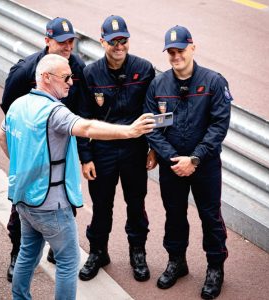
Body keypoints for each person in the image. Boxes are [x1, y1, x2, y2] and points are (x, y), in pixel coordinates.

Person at [0, 54, 155, 300]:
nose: (71, 81)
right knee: (69, 262)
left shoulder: (18, 104)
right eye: (66, 77)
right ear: (46, 78)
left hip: (23, 200)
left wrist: (25, 167)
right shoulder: (54, 112)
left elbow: (1, 137)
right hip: (52, 204)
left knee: (27, 253)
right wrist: (130, 131)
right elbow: (89, 128)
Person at [143, 25, 233, 299]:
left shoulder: (214, 82)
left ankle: (215, 267)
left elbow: (219, 126)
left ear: (192, 48)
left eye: (180, 50)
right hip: (173, 166)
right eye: (170, 51)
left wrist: (194, 158)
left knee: (210, 216)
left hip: (204, 165)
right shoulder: (158, 85)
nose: (175, 56)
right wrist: (174, 158)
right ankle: (177, 261)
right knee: (174, 214)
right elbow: (151, 127)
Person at [0, 17, 87, 282]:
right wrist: (26, 148)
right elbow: (8, 109)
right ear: (47, 41)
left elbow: (81, 110)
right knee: (23, 207)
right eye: (62, 42)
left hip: (62, 150)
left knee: (64, 203)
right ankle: (17, 253)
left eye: (71, 41)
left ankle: (56, 247)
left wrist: (83, 154)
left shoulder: (78, 67)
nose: (68, 46)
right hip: (32, 154)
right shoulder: (26, 70)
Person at [77, 15, 156, 282]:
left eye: (123, 40)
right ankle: (98, 252)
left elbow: (151, 113)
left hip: (135, 150)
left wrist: (153, 149)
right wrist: (85, 158)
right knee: (101, 206)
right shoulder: (90, 73)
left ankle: (138, 252)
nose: (118, 46)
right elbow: (83, 118)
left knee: (136, 203)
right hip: (103, 152)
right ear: (102, 42)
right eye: (113, 42)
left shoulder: (144, 69)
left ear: (128, 40)